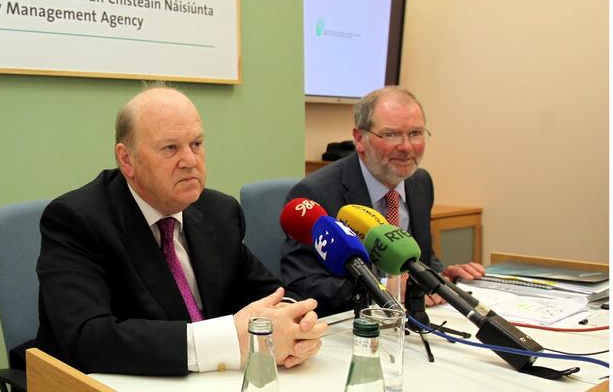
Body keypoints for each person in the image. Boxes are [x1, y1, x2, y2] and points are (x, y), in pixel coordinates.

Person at [36, 85, 326, 376]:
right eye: (170, 148)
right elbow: (88, 339)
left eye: (196, 144)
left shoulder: (219, 212)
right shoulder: (77, 220)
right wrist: (228, 340)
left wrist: (293, 320)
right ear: (127, 160)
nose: (190, 160)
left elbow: (266, 291)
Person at [280, 86, 485, 316]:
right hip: (350, 327)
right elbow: (303, 282)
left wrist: (443, 276)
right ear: (359, 139)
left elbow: (419, 256)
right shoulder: (316, 193)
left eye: (416, 133)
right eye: (391, 134)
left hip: (411, 324)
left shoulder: (420, 183)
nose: (407, 147)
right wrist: (383, 291)